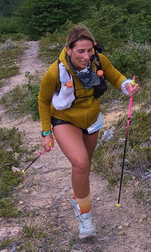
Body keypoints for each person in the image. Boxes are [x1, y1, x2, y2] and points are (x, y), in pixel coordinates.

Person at [38, 24, 140, 239]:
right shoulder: (54, 72)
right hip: (65, 119)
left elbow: (115, 77)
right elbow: (43, 100)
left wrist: (128, 85)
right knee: (81, 163)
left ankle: (77, 198)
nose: (86, 56)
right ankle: (85, 216)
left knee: (85, 164)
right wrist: (46, 133)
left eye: (89, 50)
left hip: (92, 119)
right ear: (69, 49)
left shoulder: (99, 61)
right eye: (80, 51)